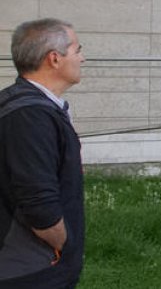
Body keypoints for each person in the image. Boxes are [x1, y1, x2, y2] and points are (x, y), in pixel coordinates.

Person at [0, 18, 86, 288]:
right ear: (54, 59)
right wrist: (65, 246)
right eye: (77, 50)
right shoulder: (30, 116)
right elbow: (38, 200)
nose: (82, 58)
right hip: (31, 270)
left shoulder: (29, 106)